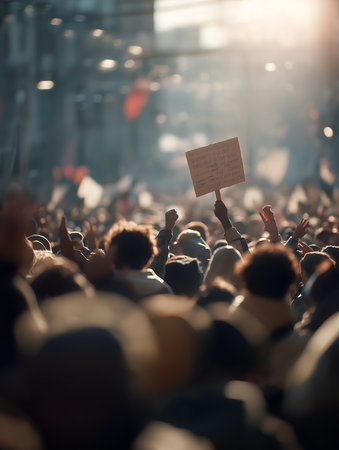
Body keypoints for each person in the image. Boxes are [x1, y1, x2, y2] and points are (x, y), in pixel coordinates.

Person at [105, 220, 172, 299]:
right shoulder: (163, 289)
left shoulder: (102, 287)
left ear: (112, 253)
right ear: (148, 256)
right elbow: (158, 261)